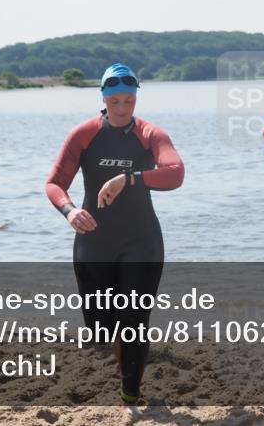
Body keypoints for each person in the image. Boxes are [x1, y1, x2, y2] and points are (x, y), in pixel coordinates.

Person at [45, 63, 184, 406]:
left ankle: (130, 391)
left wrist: (131, 178)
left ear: (136, 98)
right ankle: (124, 362)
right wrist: (70, 211)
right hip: (94, 242)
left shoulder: (151, 134)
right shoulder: (84, 134)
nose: (122, 108)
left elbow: (175, 173)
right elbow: (54, 184)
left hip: (141, 240)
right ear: (103, 98)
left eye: (129, 100)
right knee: (101, 330)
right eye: (115, 101)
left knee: (134, 320)